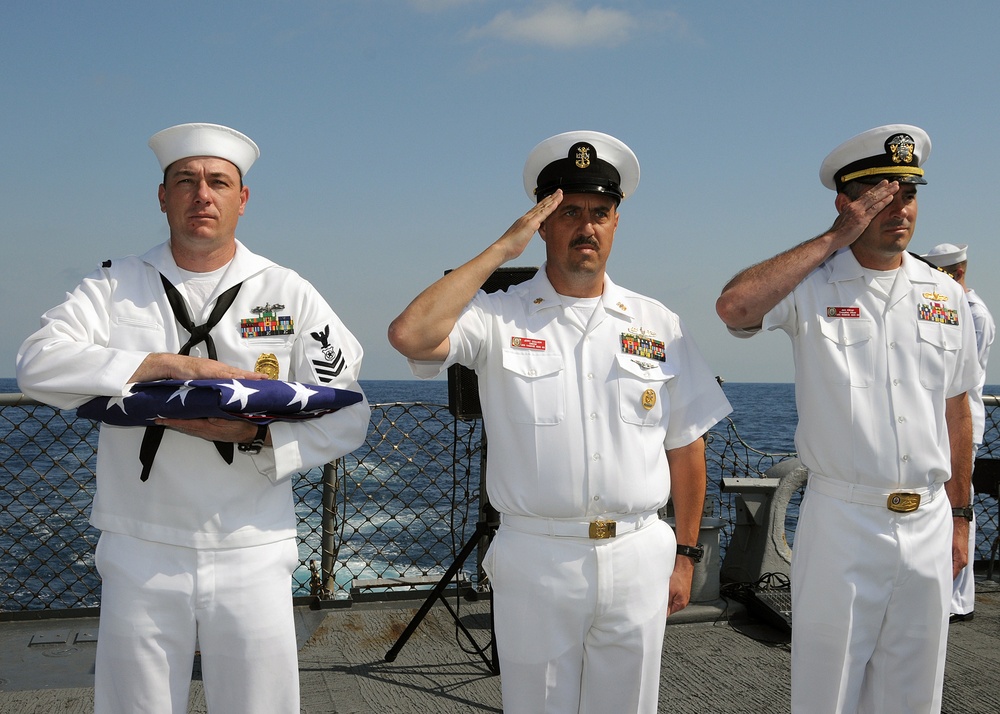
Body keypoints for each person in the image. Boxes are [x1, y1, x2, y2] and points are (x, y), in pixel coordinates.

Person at [15, 123, 370, 714]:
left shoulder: (287, 291)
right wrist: (154, 365)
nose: (202, 194)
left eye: (218, 182)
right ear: (163, 197)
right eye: (186, 181)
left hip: (252, 546)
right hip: (139, 546)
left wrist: (257, 435)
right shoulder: (114, 285)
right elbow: (35, 364)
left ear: (242, 199)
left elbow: (346, 414)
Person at [388, 130, 731, 713]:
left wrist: (687, 555)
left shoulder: (658, 323)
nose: (587, 226)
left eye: (600, 212)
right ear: (542, 225)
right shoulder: (498, 315)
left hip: (638, 552)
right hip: (538, 557)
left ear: (617, 223)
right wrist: (502, 248)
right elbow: (410, 336)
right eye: (569, 212)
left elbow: (686, 444)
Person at [716, 124, 983, 713]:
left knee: (917, 693)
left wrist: (961, 517)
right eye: (879, 196)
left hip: (929, 519)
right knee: (827, 690)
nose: (898, 208)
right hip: (844, 520)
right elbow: (734, 305)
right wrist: (835, 239)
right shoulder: (811, 285)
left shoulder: (946, 297)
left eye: (908, 194)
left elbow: (956, 408)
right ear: (846, 201)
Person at [921, 242, 995, 622]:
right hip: (939, 419)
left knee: (959, 504)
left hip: (961, 420)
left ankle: (959, 599)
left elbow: (962, 375)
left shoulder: (973, 313)